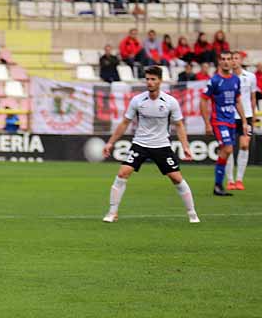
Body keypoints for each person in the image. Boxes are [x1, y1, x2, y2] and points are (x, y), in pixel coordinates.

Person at [102, 66, 198, 223]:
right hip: (140, 144)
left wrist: (185, 146)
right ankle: (112, 212)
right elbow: (125, 122)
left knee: (176, 178)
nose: (149, 82)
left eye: (153, 79)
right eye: (147, 79)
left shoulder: (170, 102)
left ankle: (192, 213)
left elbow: (179, 125)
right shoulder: (138, 100)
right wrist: (110, 143)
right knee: (122, 173)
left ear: (160, 81)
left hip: (161, 145)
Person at [200, 51, 246, 196]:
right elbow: (203, 100)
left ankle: (218, 186)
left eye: (229, 59)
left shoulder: (235, 80)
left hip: (231, 121)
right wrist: (207, 123)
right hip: (219, 121)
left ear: (233, 61)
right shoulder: (214, 80)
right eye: (224, 59)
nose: (226, 62)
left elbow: (237, 101)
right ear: (219, 62)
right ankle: (219, 184)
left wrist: (244, 121)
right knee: (227, 149)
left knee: (225, 151)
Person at [225, 52, 258, 191]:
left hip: (247, 116)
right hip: (229, 116)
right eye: (231, 59)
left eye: (236, 58)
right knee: (229, 149)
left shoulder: (250, 77)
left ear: (241, 60)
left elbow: (252, 97)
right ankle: (230, 181)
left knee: (244, 145)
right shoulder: (226, 77)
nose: (233, 61)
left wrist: (254, 115)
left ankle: (239, 179)